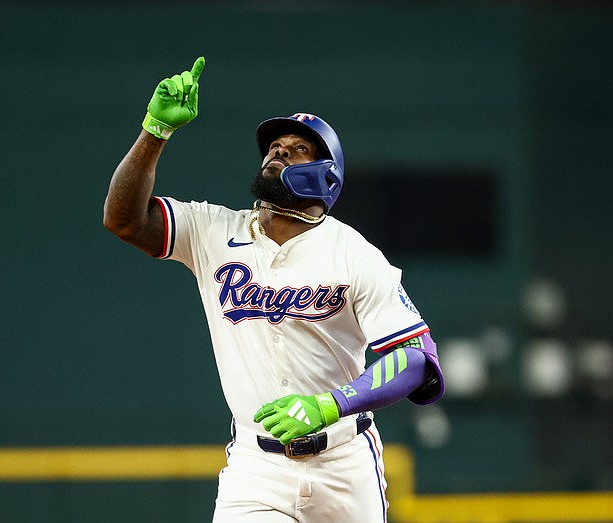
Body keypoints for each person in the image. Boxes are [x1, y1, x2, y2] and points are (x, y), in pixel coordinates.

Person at [103, 56, 444, 523]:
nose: (278, 152)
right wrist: (154, 132)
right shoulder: (213, 231)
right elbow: (123, 219)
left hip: (344, 466)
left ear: (327, 175)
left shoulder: (354, 254)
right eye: (274, 146)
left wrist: (330, 404)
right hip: (256, 467)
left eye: (298, 148)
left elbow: (417, 359)